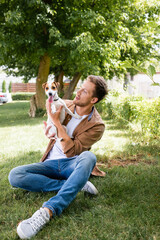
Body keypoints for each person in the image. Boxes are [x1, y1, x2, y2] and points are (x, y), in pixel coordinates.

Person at [8, 75, 108, 239]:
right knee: (15, 175)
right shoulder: (65, 104)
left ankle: (48, 211)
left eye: (84, 91)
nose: (78, 92)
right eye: (80, 87)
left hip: (71, 165)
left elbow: (73, 152)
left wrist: (57, 123)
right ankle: (75, 185)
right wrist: (49, 129)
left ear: (94, 99)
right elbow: (51, 130)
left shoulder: (97, 125)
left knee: (89, 157)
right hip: (50, 164)